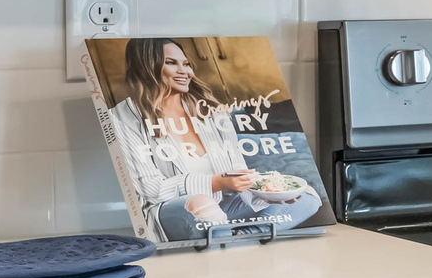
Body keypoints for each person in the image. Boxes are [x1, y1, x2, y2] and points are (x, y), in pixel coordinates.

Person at [107, 38, 315, 242]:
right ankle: (226, 240)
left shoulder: (211, 112)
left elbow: (236, 169)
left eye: (186, 64)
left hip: (227, 206)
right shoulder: (122, 119)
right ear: (146, 68)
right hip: (177, 212)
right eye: (171, 63)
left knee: (306, 194)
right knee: (202, 202)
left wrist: (266, 190)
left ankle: (242, 237)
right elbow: (150, 190)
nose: (184, 71)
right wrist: (215, 182)